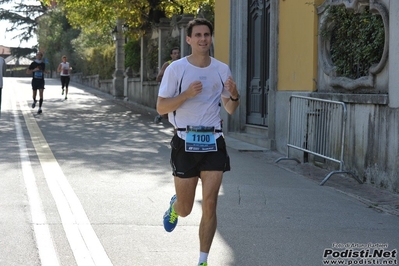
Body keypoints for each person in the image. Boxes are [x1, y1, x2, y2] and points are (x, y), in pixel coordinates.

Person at [156, 18, 240, 266]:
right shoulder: (176, 69)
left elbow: (231, 108)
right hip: (184, 141)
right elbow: (161, 107)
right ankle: (175, 206)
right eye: (198, 35)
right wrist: (186, 95)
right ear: (189, 39)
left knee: (211, 204)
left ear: (211, 38)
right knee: (186, 209)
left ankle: (203, 261)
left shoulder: (221, 69)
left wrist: (234, 94)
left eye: (207, 34)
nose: (203, 39)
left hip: (213, 141)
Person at [154, 47, 180, 123]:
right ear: (171, 55)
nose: (177, 55)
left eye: (178, 53)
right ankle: (161, 115)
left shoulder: (182, 64)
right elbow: (158, 77)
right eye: (175, 53)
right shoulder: (167, 64)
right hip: (169, 88)